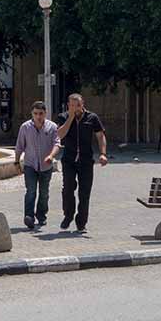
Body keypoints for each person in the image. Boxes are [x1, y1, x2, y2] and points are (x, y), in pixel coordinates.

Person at [56, 93, 107, 234]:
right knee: (68, 189)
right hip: (69, 160)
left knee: (84, 193)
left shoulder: (92, 118)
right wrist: (71, 118)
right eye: (72, 105)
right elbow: (59, 135)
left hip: (86, 160)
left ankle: (81, 222)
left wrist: (102, 154)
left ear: (82, 104)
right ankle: (68, 216)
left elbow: (100, 136)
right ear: (68, 106)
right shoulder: (63, 117)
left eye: (77, 105)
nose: (75, 108)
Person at [14, 101, 61, 230]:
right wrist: (17, 162)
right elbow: (19, 146)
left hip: (46, 166)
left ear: (45, 113)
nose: (38, 116)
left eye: (41, 113)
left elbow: (57, 144)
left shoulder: (52, 127)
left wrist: (51, 156)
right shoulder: (25, 127)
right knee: (31, 191)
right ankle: (29, 217)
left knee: (44, 193)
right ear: (32, 114)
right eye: (35, 113)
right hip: (30, 165)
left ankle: (41, 215)